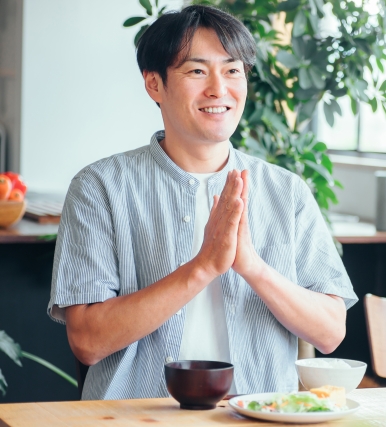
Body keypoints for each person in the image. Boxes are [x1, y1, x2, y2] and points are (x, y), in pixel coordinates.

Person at [47, 5, 357, 400]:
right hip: (132, 417)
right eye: (197, 71)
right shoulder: (100, 187)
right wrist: (203, 266)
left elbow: (330, 333)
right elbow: (87, 341)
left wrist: (253, 267)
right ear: (154, 84)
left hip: (258, 416)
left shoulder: (285, 190)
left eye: (232, 70)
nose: (219, 89)